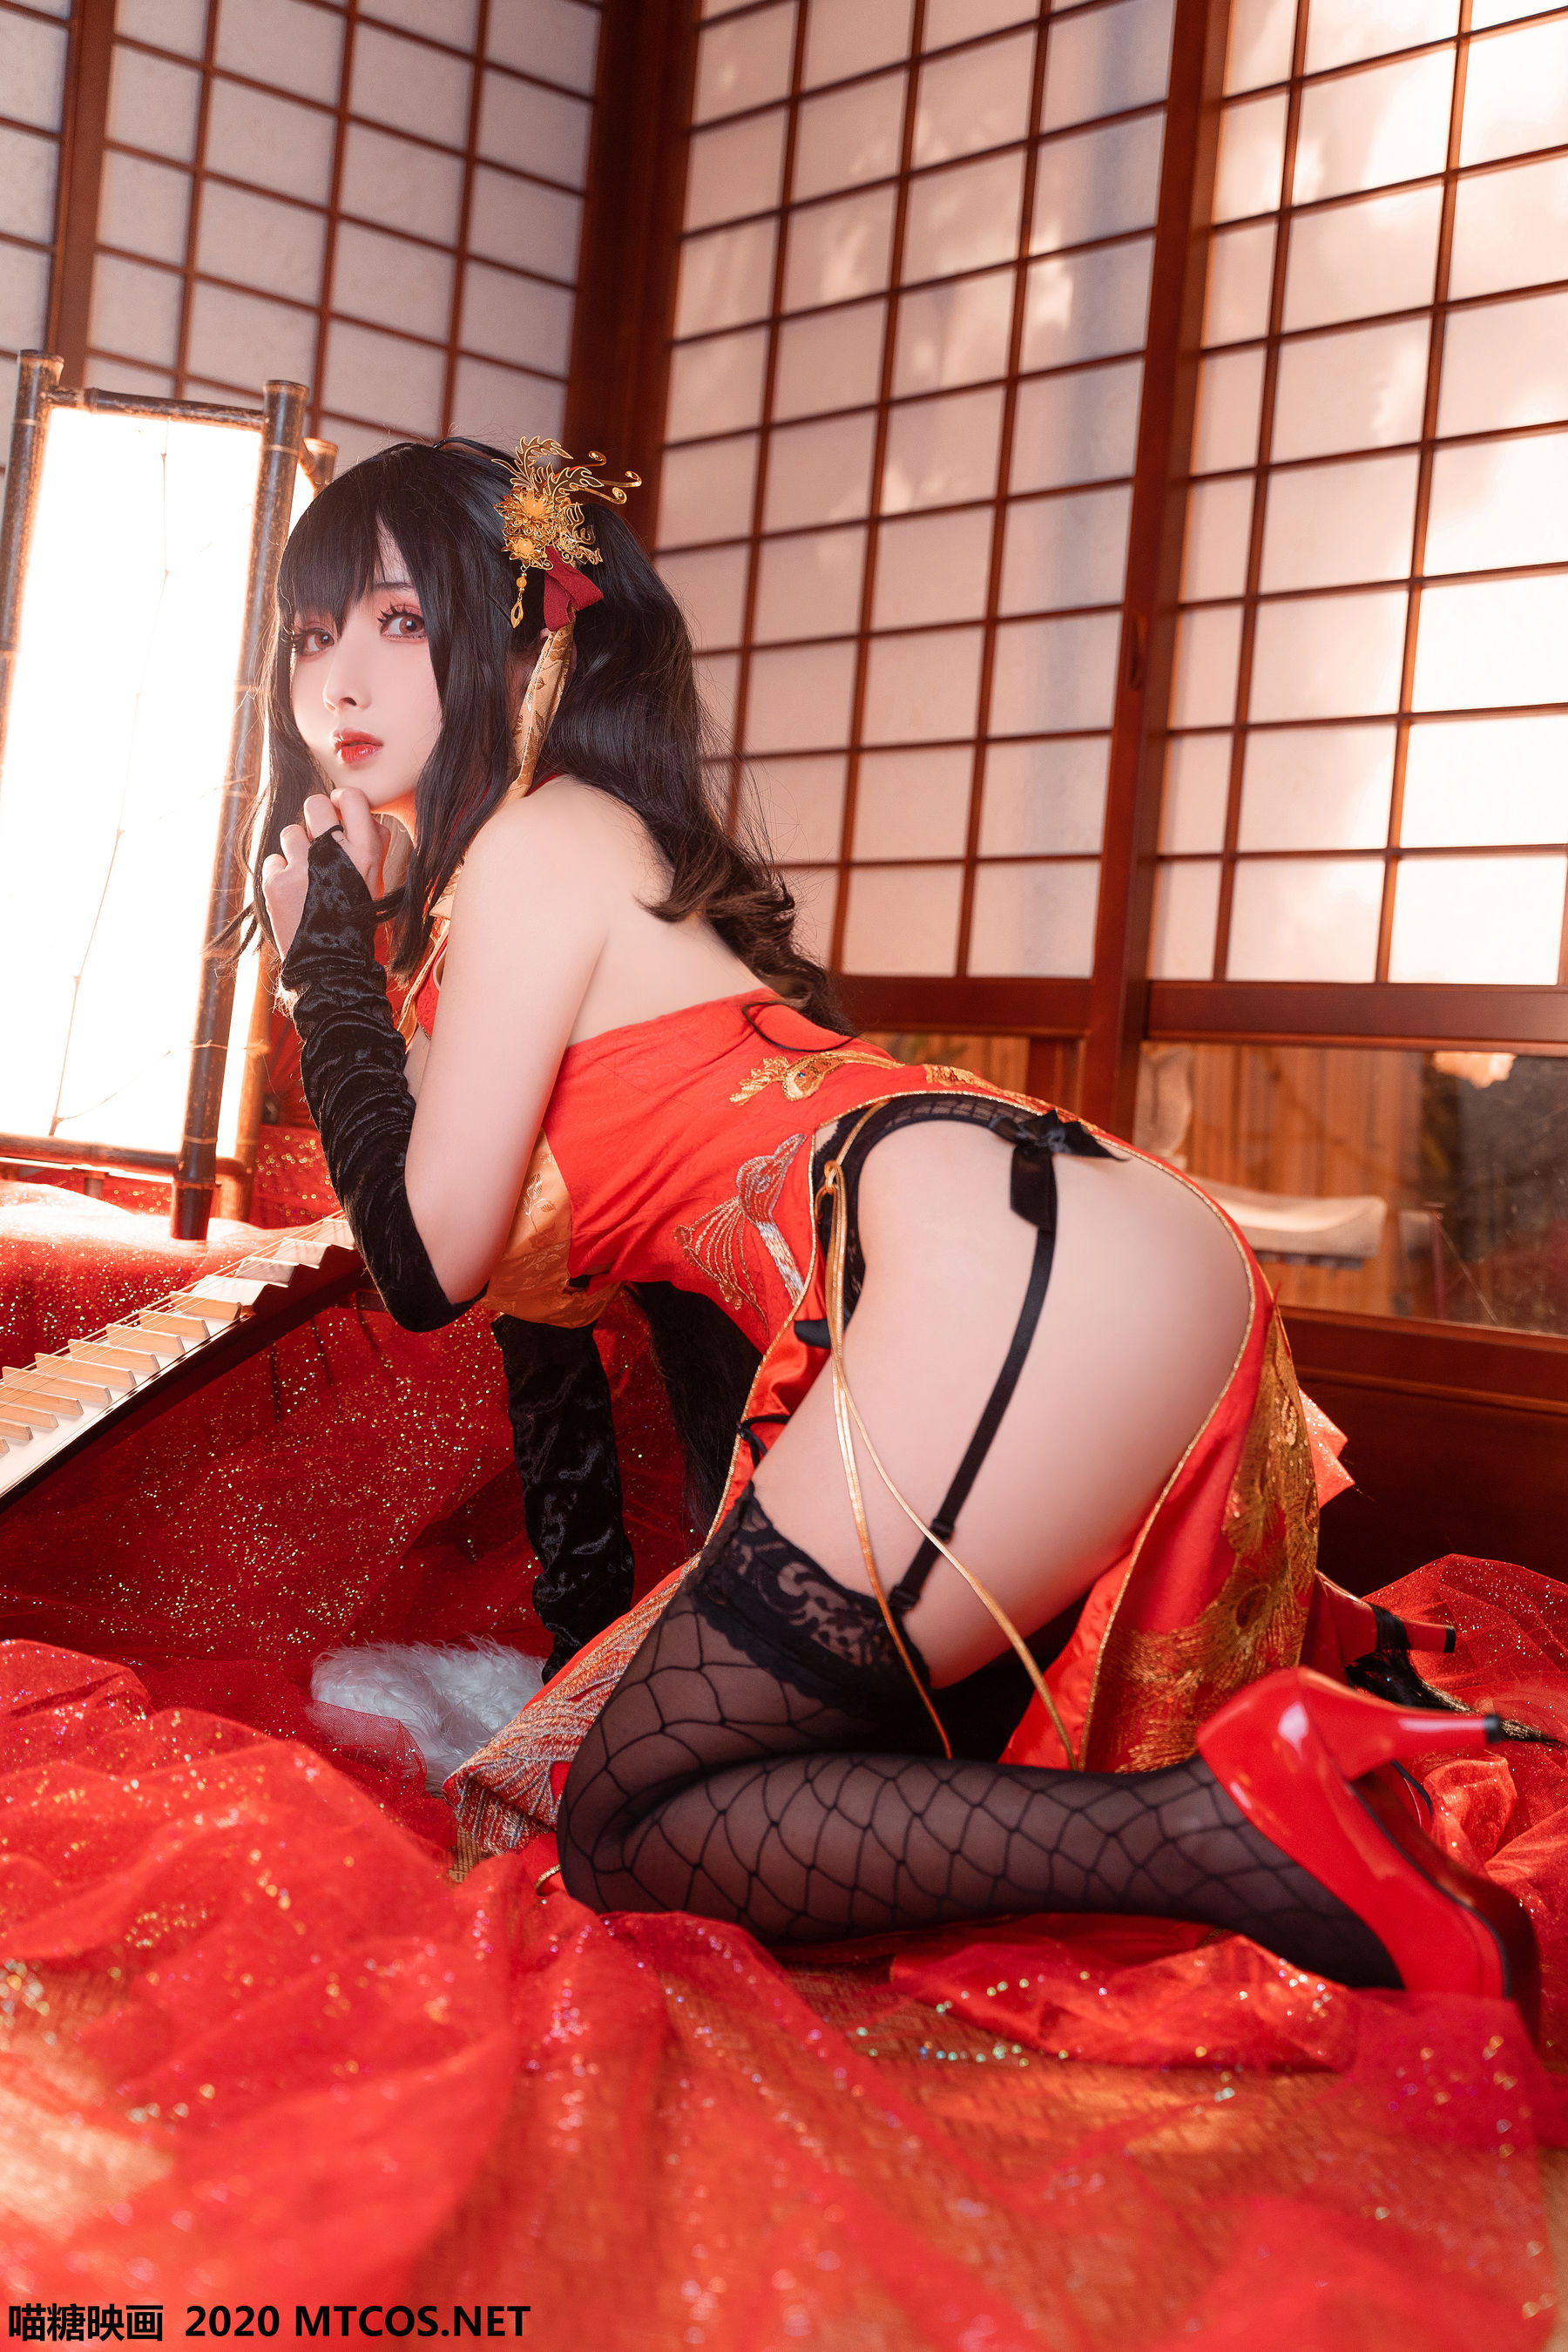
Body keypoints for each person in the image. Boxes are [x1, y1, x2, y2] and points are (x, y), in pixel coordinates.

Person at [258, 435, 1539, 2030]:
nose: (338, 678)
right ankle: (1284, 1816)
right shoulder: (520, 891)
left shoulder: (542, 842)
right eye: (311, 634)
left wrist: (322, 957)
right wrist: (604, 1651)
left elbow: (424, 1263)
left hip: (999, 1262)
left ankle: (1247, 1830)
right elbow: (561, 1333)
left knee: (628, 1827)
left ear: (531, 640)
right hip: (1056, 1250)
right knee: (665, 1798)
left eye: (399, 619)